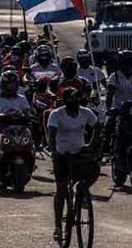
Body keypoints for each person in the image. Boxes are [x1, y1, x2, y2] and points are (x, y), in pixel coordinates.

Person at [47, 88, 100, 240]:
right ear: (65, 102)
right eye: (72, 101)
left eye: (77, 101)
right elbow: (52, 134)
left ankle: (82, 194)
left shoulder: (85, 112)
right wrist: (54, 150)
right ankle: (58, 226)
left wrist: (91, 144)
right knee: (62, 190)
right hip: (62, 154)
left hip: (79, 153)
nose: (75, 104)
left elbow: (97, 126)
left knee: (93, 169)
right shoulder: (56, 114)